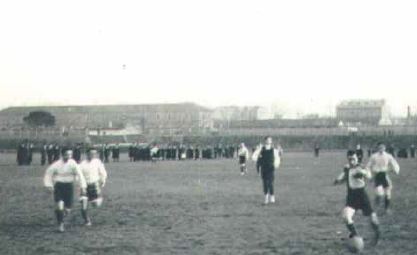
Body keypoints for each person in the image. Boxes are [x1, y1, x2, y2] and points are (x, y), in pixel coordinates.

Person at [334, 150, 380, 245]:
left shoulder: (361, 167)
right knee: (346, 216)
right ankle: (355, 236)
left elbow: (369, 176)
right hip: (351, 196)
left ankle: (377, 234)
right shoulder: (347, 168)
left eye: (353, 159)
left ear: (357, 158)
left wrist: (362, 174)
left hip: (362, 196)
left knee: (373, 220)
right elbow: (344, 176)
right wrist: (338, 180)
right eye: (349, 159)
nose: (351, 161)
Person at [43, 149, 87, 232]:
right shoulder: (56, 164)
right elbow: (48, 174)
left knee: (68, 209)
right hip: (59, 186)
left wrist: (83, 187)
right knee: (59, 205)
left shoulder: (73, 163)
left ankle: (63, 212)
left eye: (70, 154)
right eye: (67, 154)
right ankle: (60, 225)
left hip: (69, 187)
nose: (69, 157)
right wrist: (49, 185)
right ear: (62, 154)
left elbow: (80, 175)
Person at [366, 142, 400, 215]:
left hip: (385, 175)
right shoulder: (374, 156)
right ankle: (373, 209)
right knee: (379, 194)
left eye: (382, 147)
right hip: (377, 176)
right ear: (377, 148)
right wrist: (369, 175)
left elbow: (394, 163)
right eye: (379, 147)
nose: (381, 149)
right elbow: (368, 166)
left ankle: (386, 209)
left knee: (388, 193)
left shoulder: (388, 156)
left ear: (385, 147)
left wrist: (396, 170)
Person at [79, 149, 107, 226]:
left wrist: (102, 180)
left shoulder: (97, 162)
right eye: (91, 154)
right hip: (84, 187)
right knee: (83, 206)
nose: (92, 155)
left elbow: (103, 172)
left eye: (94, 154)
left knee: (96, 204)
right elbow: (78, 176)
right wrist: (81, 185)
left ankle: (98, 199)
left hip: (94, 185)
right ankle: (87, 221)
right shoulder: (82, 164)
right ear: (87, 154)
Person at [252, 137, 281, 204]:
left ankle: (272, 197)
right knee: (265, 183)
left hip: (270, 168)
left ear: (271, 141)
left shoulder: (274, 150)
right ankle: (266, 198)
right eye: (267, 140)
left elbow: (277, 158)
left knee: (270, 183)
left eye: (269, 140)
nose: (268, 141)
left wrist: (275, 165)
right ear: (265, 141)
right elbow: (254, 156)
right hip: (264, 168)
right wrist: (258, 160)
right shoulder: (261, 149)